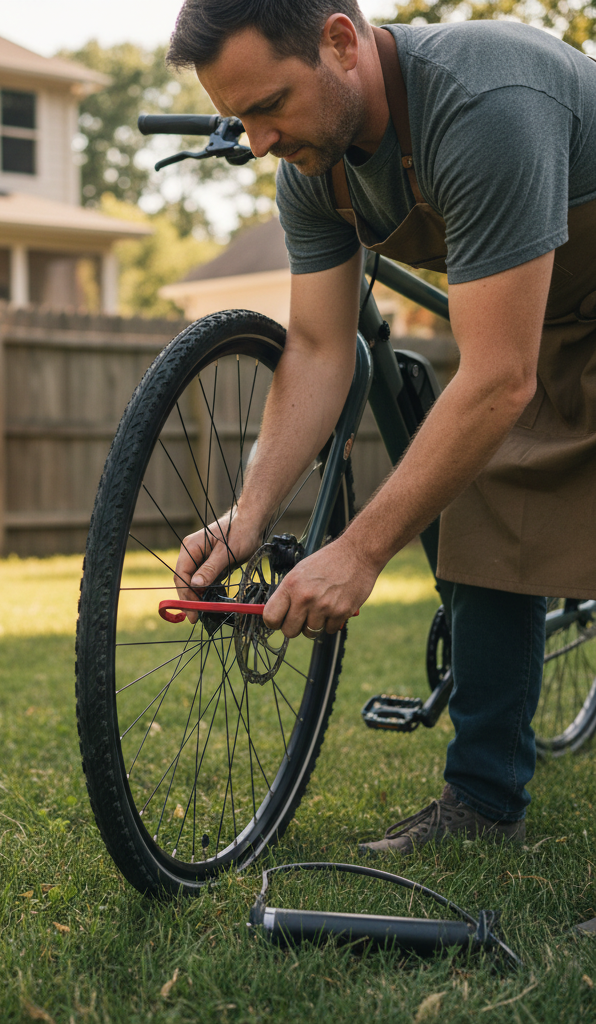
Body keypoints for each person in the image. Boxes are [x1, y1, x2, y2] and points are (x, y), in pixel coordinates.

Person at [166, 0, 596, 854]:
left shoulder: (483, 105)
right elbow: (319, 350)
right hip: (552, 313)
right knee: (480, 496)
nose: (258, 142)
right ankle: (483, 805)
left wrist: (359, 552)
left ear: (339, 41)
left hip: (541, 324)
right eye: (240, 119)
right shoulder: (312, 170)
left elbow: (497, 378)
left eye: (270, 106)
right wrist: (251, 515)